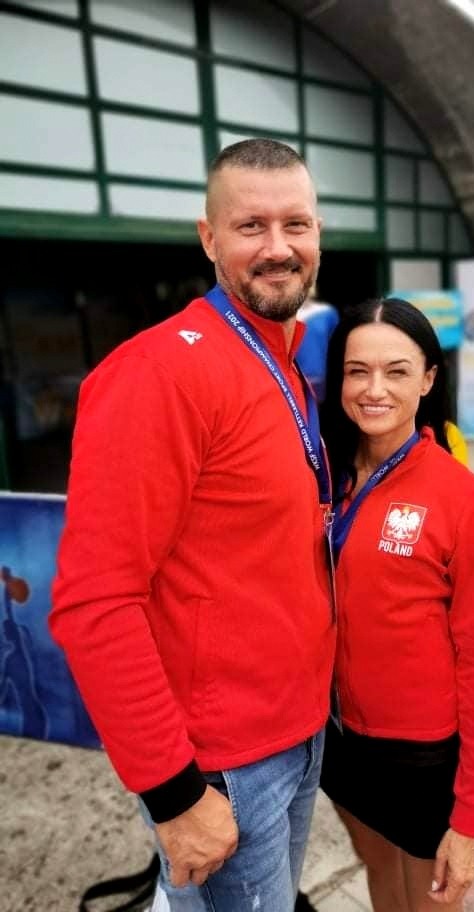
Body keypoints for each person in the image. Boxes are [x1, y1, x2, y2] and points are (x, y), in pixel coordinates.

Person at [50, 139, 336, 912]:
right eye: (250, 227)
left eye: (296, 224)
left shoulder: (285, 363)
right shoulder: (159, 372)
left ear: (317, 234)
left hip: (297, 733)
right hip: (226, 766)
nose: (278, 248)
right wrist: (174, 795)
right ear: (209, 239)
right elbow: (94, 601)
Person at [319, 298, 474, 911]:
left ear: (427, 379)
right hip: (338, 736)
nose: (374, 390)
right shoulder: (320, 477)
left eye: (396, 371)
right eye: (357, 371)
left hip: (421, 756)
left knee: (430, 899)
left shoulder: (463, 501)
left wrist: (470, 818)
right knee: (379, 871)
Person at [296, 286, 339, 402]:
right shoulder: (282, 316)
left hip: (320, 376)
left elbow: (337, 344)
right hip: (293, 376)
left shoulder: (327, 313)